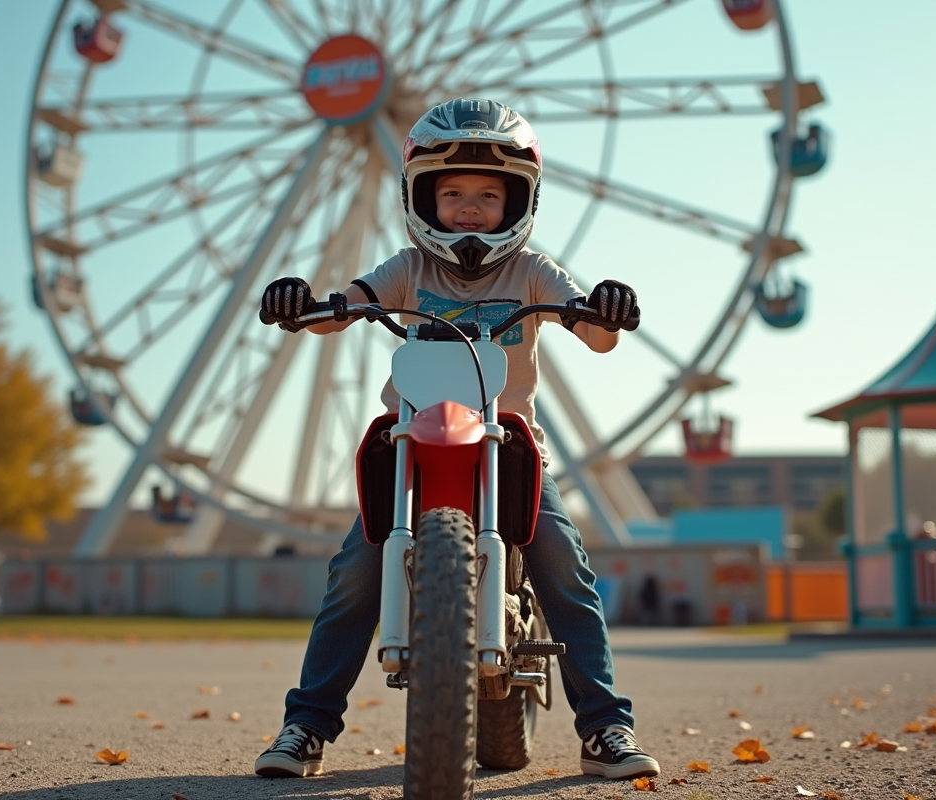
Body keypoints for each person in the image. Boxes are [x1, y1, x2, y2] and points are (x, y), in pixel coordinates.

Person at [253, 98, 660, 782]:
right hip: (415, 440)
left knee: (565, 566)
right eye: (452, 193)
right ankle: (306, 726)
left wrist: (607, 310)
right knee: (354, 573)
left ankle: (606, 729)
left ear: (518, 202)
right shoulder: (408, 268)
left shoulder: (532, 270)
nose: (468, 208)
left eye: (487, 195)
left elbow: (594, 333)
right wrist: (305, 307)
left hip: (508, 444)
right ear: (421, 198)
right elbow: (346, 306)